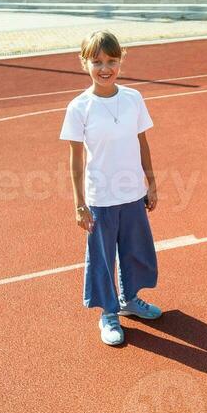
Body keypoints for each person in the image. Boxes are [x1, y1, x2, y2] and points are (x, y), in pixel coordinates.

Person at [60, 30, 164, 346]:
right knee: (103, 258)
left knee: (134, 251)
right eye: (97, 61)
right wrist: (80, 204)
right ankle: (108, 313)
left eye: (112, 60)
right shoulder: (79, 107)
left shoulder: (133, 98)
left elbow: (142, 142)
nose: (105, 68)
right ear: (84, 63)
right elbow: (75, 160)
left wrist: (151, 183)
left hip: (132, 193)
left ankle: (130, 300)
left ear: (121, 61)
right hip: (101, 197)